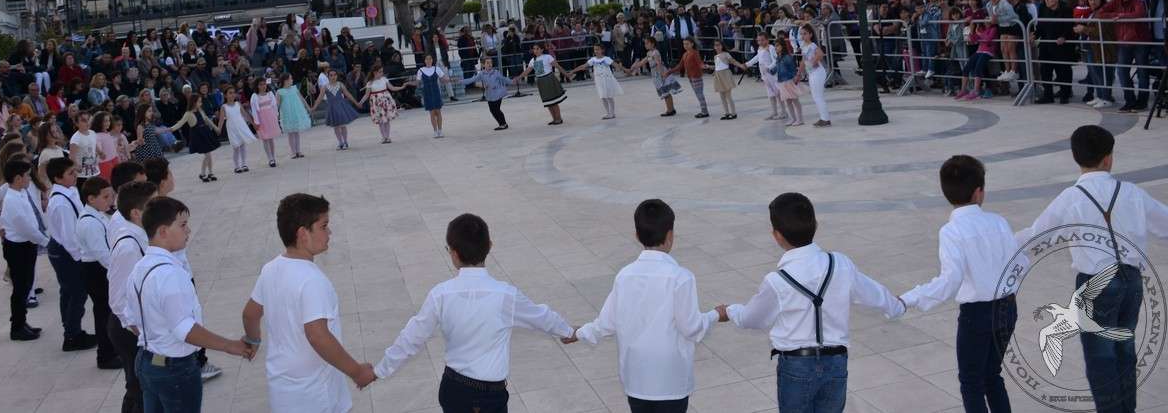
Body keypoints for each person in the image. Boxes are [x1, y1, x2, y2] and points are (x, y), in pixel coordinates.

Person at [1016, 125, 1168, 413]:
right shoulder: (1132, 192)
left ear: (1076, 157)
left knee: (1100, 359)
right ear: (1109, 158)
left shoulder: (1070, 197)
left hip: (1095, 284)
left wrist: (999, 244)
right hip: (1132, 280)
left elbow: (1037, 235)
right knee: (1124, 350)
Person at [718, 192, 906, 413]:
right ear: (815, 224)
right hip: (836, 362)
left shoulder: (777, 281)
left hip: (796, 366)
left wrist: (730, 311)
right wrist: (897, 306)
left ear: (777, 235)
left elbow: (752, 319)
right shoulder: (840, 264)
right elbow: (875, 294)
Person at [374, 213, 574, 412]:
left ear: (454, 253)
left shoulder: (440, 294)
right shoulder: (506, 295)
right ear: (489, 246)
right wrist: (569, 332)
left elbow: (411, 337)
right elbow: (542, 317)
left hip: (453, 388)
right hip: (491, 396)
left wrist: (378, 371)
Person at [567, 199, 718, 413]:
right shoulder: (681, 277)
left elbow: (606, 323)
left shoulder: (624, 276)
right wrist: (715, 315)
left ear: (637, 235)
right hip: (670, 382)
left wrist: (578, 333)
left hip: (636, 380)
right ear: (670, 235)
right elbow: (691, 328)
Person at [899, 156, 1019, 413]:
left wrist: (911, 297)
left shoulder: (951, 231)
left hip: (977, 314)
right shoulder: (998, 222)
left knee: (971, 382)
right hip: (1007, 308)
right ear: (978, 192)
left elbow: (950, 280)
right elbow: (1019, 263)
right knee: (992, 375)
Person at [242, 193, 373, 412]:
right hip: (315, 394)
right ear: (303, 234)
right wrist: (357, 372)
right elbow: (317, 336)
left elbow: (250, 314)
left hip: (282, 391)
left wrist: (252, 341)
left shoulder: (270, 269)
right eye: (324, 226)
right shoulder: (313, 280)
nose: (329, 232)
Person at [127, 197, 255, 413]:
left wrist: (157, 339)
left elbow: (130, 319)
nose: (188, 230)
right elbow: (184, 330)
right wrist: (230, 345)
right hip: (174, 369)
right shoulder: (170, 274)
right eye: (183, 225)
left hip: (146, 362)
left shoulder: (139, 268)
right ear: (163, 231)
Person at [108, 181, 158, 413]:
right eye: (153, 204)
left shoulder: (142, 236)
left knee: (147, 386)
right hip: (129, 330)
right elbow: (118, 300)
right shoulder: (128, 246)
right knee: (138, 387)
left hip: (139, 326)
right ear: (136, 213)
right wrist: (142, 334)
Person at [44, 156, 95, 351]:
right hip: (65, 251)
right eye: (70, 173)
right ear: (57, 178)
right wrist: (80, 259)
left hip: (66, 249)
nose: (75, 175)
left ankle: (71, 329)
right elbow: (69, 237)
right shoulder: (61, 203)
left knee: (69, 291)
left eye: (74, 171)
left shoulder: (70, 191)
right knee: (76, 292)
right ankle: (72, 336)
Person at [0, 157, 49, 341]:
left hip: (26, 245)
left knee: (26, 285)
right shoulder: (12, 199)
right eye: (27, 175)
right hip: (18, 248)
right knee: (20, 288)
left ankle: (22, 322)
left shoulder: (20, 193)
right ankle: (17, 327)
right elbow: (25, 227)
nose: (30, 178)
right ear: (18, 178)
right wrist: (45, 241)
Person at [76, 176, 122, 369]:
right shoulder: (90, 223)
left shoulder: (98, 214)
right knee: (104, 314)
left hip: (100, 268)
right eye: (105, 197)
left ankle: (112, 350)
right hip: (96, 271)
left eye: (111, 196)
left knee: (108, 312)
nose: (110, 200)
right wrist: (120, 272)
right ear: (91, 199)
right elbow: (103, 255)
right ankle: (105, 355)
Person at [168, 94, 219, 182]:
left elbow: (206, 119)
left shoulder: (200, 110)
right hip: (198, 135)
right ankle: (203, 174)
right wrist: (171, 129)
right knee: (207, 154)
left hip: (205, 133)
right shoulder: (188, 114)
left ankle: (209, 173)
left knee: (208, 154)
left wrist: (215, 127)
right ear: (194, 102)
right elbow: (180, 123)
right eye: (199, 102)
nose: (201, 103)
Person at [566, 43, 625, 120]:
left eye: (598, 49)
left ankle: (612, 113)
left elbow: (616, 65)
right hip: (599, 80)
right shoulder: (593, 60)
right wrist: (572, 71)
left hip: (607, 80)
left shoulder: (606, 59)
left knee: (609, 96)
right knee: (603, 96)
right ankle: (608, 113)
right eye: (595, 49)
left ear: (602, 50)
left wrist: (625, 69)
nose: (596, 51)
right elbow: (583, 66)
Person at [628, 36, 680, 117]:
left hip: (659, 73)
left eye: (647, 43)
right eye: (645, 43)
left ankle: (670, 110)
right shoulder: (649, 53)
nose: (645, 45)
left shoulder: (655, 52)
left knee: (666, 92)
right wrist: (634, 67)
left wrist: (661, 74)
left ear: (652, 44)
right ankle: (671, 109)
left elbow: (659, 63)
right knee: (665, 92)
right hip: (655, 73)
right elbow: (643, 62)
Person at [517, 42, 567, 125]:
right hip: (541, 81)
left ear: (542, 49)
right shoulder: (533, 60)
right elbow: (527, 71)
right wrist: (519, 77)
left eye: (537, 49)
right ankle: (554, 119)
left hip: (549, 80)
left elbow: (557, 66)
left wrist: (566, 74)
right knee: (548, 102)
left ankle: (558, 118)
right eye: (534, 49)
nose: (535, 51)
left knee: (554, 101)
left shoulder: (547, 57)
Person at [309, 69, 360, 151]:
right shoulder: (325, 87)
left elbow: (347, 94)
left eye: (335, 75)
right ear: (328, 76)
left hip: (341, 106)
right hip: (332, 107)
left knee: (343, 125)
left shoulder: (340, 84)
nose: (333, 77)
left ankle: (345, 141)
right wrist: (314, 107)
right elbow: (319, 98)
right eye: (331, 75)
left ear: (337, 76)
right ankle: (340, 142)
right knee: (336, 126)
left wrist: (356, 102)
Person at [744, 30, 785, 121]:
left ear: (767, 40)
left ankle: (783, 112)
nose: (760, 42)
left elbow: (775, 60)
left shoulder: (770, 48)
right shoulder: (760, 48)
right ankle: (774, 112)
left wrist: (769, 67)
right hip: (764, 74)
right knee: (770, 94)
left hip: (772, 74)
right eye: (759, 40)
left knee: (777, 93)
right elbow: (757, 58)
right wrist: (748, 64)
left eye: (762, 40)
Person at [796, 24, 831, 128]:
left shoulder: (812, 45)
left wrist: (814, 61)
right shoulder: (804, 46)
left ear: (810, 34)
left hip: (817, 72)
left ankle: (825, 119)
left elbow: (820, 54)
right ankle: (824, 117)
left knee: (817, 96)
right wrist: (799, 73)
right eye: (801, 34)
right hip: (812, 73)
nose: (803, 36)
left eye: (805, 34)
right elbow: (803, 61)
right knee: (816, 96)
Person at [216, 86, 257, 173]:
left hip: (241, 126)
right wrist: (218, 129)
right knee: (236, 147)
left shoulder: (238, 104)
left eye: (233, 93)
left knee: (242, 145)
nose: (232, 95)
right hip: (232, 128)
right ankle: (236, 166)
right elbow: (221, 120)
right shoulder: (224, 107)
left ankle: (244, 164)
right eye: (230, 93)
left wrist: (253, 123)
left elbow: (245, 114)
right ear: (225, 95)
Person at [667, 37, 709, 119]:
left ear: (692, 44)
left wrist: (704, 66)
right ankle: (704, 111)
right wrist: (669, 72)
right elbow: (680, 66)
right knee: (698, 94)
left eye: (687, 44)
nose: (685, 46)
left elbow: (699, 63)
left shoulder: (695, 53)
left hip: (696, 76)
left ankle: (705, 112)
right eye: (684, 44)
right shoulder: (685, 54)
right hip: (690, 77)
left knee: (699, 94)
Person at [364, 64, 406, 143]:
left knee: (387, 120)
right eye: (380, 72)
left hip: (386, 101)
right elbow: (366, 95)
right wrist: (360, 102)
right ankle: (384, 137)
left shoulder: (384, 79)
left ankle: (388, 137)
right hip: (376, 103)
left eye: (382, 72)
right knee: (381, 120)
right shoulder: (370, 83)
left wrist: (401, 87)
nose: (382, 73)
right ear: (375, 72)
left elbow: (392, 88)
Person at [276, 73, 312, 159]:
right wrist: (276, 114)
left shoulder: (294, 88)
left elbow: (302, 98)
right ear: (285, 80)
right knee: (290, 133)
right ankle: (293, 152)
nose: (292, 80)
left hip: (296, 112)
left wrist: (308, 107)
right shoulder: (280, 92)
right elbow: (277, 105)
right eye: (290, 79)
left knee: (296, 132)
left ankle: (298, 151)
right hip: (287, 114)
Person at [472, 57, 513, 131]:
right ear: (483, 64)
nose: (490, 64)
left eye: (491, 62)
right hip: (490, 95)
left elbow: (503, 79)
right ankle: (502, 124)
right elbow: (476, 83)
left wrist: (512, 81)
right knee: (493, 110)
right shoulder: (481, 73)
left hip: (498, 93)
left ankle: (503, 124)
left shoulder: (496, 72)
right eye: (487, 63)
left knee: (496, 110)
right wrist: (482, 85)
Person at [708, 39, 745, 120]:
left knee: (728, 96)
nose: (717, 47)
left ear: (722, 46)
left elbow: (733, 61)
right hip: (718, 76)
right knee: (722, 96)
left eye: (718, 45)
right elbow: (717, 66)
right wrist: (710, 67)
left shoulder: (726, 54)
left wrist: (740, 65)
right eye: (715, 45)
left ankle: (733, 113)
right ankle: (726, 113)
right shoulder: (715, 56)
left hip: (725, 75)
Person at [250, 77, 282, 168]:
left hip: (270, 118)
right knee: (265, 138)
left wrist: (276, 116)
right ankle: (270, 158)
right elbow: (254, 110)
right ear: (257, 86)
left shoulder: (270, 94)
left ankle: (273, 157)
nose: (263, 86)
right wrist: (256, 121)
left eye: (264, 84)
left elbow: (274, 106)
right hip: (262, 119)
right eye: (261, 84)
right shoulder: (255, 96)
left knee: (271, 138)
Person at [416, 54, 449, 138]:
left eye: (430, 59)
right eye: (427, 59)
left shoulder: (437, 69)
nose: (428, 60)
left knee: (438, 112)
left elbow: (443, 79)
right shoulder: (421, 70)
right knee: (432, 113)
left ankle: (440, 130)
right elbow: (417, 82)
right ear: (424, 61)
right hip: (427, 93)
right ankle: (435, 131)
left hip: (436, 92)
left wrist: (451, 79)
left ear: (432, 60)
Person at [774, 35, 803, 127]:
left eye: (778, 46)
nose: (776, 48)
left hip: (789, 81)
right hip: (782, 81)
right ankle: (793, 118)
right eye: (775, 46)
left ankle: (800, 119)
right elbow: (777, 68)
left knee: (795, 100)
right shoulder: (778, 58)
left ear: (782, 46)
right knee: (788, 101)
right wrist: (771, 70)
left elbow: (793, 68)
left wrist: (795, 77)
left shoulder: (787, 57)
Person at [68, 110, 100, 179]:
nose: (87, 122)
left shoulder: (92, 133)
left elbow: (95, 146)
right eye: (83, 120)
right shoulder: (75, 138)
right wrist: (76, 166)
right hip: (82, 175)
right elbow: (71, 156)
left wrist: (100, 153)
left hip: (95, 171)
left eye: (88, 120)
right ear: (77, 124)